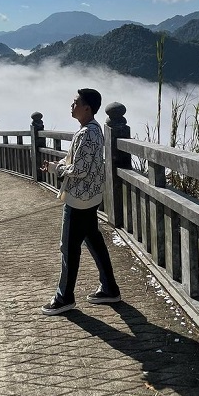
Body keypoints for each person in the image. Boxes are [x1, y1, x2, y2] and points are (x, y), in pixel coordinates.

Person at [40, 88, 121, 315]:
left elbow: (80, 169)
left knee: (68, 247)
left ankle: (64, 297)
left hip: (79, 200)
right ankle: (109, 288)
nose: (72, 105)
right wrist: (59, 166)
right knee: (94, 240)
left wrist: (57, 169)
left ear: (87, 108)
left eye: (76, 102)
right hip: (90, 197)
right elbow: (81, 164)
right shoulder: (93, 130)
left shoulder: (87, 133)